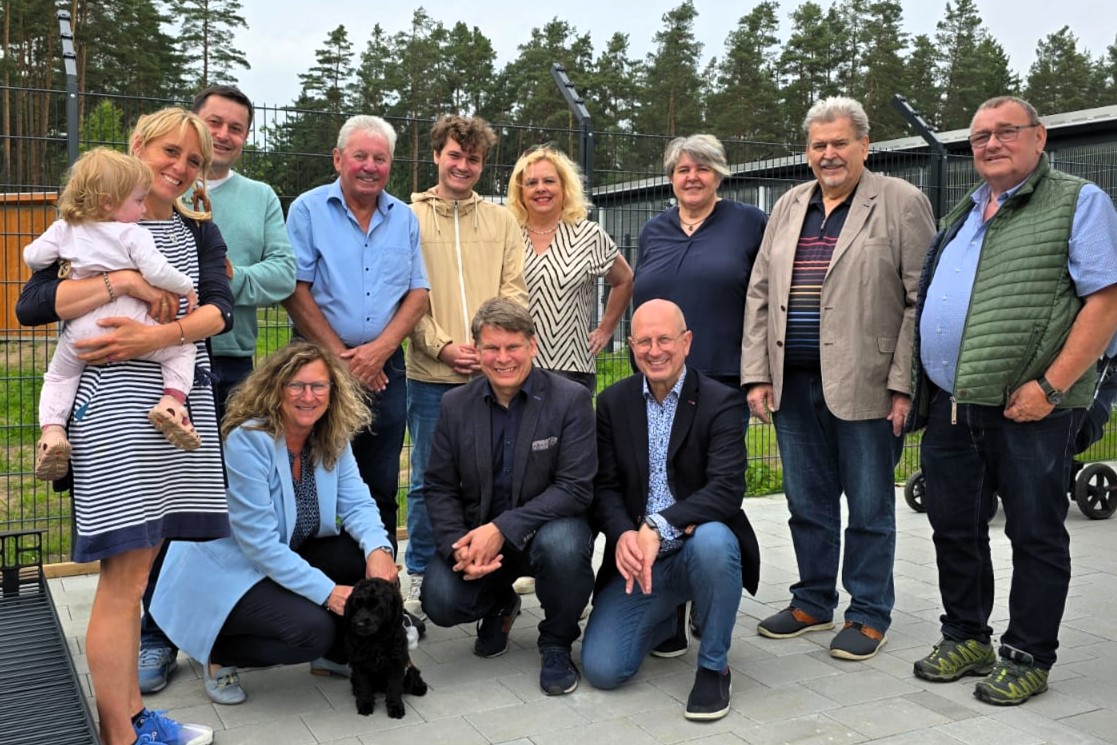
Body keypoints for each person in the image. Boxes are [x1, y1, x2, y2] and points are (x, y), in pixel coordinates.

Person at [16, 107, 233, 745]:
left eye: (193, 160)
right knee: (121, 578)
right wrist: (126, 281)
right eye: (169, 152)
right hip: (115, 415)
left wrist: (157, 333)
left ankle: (136, 716)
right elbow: (33, 305)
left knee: (139, 572)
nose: (180, 167)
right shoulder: (93, 222)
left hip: (174, 408)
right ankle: (122, 736)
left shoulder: (198, 231)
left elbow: (219, 309)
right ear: (139, 147)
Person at [910, 95, 1117, 705]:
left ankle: (1027, 653)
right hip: (955, 403)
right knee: (955, 526)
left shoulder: (1078, 202)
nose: (991, 144)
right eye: (979, 137)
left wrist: (1052, 387)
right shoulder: (966, 212)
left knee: (1034, 532)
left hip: (1032, 408)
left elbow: (1105, 303)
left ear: (1039, 138)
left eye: (1005, 132)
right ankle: (967, 635)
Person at [741, 96, 935, 661]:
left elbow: (920, 301)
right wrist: (757, 374)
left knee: (870, 505)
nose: (829, 154)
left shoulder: (899, 202)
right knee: (807, 500)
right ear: (807, 151)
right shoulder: (789, 206)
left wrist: (904, 383)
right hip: (793, 383)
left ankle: (869, 612)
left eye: (839, 143)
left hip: (868, 383)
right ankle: (812, 600)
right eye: (819, 145)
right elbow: (760, 293)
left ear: (864, 146)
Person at [137, 84, 297, 696]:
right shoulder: (149, 191)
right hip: (153, 367)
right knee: (159, 509)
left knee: (220, 513)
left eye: (236, 126)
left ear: (244, 136)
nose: (224, 134)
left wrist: (227, 279)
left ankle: (212, 641)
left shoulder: (258, 198)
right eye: (214, 123)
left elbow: (283, 272)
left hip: (234, 367)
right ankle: (154, 632)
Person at [149, 341, 398, 705]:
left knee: (361, 561)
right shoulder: (249, 440)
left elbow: (357, 501)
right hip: (228, 572)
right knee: (313, 631)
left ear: (333, 391)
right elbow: (260, 546)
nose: (308, 396)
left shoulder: (331, 435)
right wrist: (329, 594)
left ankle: (332, 658)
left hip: (280, 554)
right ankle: (220, 653)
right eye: (295, 385)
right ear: (275, 389)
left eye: (318, 386)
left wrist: (379, 549)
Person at [582, 299, 760, 721]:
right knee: (603, 669)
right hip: (640, 560)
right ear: (630, 345)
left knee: (716, 540)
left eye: (664, 339)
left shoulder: (721, 402)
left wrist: (659, 525)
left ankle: (715, 666)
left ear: (687, 342)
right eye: (643, 341)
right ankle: (667, 617)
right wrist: (626, 534)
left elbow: (726, 489)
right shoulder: (612, 404)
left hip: (696, 545)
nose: (654, 350)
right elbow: (604, 487)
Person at [420, 298, 596, 696]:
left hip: (546, 533)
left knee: (566, 546)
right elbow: (440, 486)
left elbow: (576, 487)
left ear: (532, 346)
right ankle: (500, 604)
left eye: (513, 347)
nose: (503, 358)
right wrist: (456, 548)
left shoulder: (570, 399)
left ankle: (556, 641)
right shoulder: (455, 405)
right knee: (439, 599)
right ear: (477, 350)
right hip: (483, 542)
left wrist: (501, 528)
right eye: (492, 348)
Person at [284, 114, 429, 561]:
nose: (370, 166)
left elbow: (418, 292)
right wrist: (341, 359)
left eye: (380, 158)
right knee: (308, 482)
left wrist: (380, 351)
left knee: (380, 485)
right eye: (360, 156)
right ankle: (309, 589)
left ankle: (379, 591)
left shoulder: (403, 218)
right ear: (338, 158)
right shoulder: (307, 210)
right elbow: (294, 288)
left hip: (384, 371)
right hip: (315, 366)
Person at [404, 115, 527, 619]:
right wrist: (442, 346)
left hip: (495, 374)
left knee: (501, 474)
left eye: (473, 159)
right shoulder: (406, 214)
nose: (463, 165)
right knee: (427, 478)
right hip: (432, 375)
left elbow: (514, 289)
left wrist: (488, 346)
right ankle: (419, 573)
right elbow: (405, 293)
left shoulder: (501, 221)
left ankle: (495, 573)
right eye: (454, 155)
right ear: (436, 156)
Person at [25, 147, 202, 480]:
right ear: (108, 202)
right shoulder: (133, 232)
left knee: (60, 376)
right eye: (137, 201)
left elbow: (33, 258)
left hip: (83, 329)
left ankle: (52, 432)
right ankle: (171, 403)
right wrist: (186, 287)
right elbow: (157, 271)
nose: (141, 207)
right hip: (133, 323)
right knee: (182, 350)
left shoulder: (65, 228)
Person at [632, 133, 766, 412]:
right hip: (658, 374)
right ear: (672, 178)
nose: (692, 177)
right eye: (683, 170)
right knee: (660, 455)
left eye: (702, 169)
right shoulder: (653, 230)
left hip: (723, 378)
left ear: (718, 175)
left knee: (719, 456)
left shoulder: (749, 222)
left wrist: (760, 373)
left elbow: (768, 299)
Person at [506, 144, 633, 393]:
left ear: (564, 187)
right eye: (531, 183)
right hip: (515, 363)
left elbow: (625, 279)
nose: (541, 188)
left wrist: (606, 329)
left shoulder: (588, 234)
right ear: (520, 192)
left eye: (549, 181)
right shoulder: (508, 234)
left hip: (573, 367)